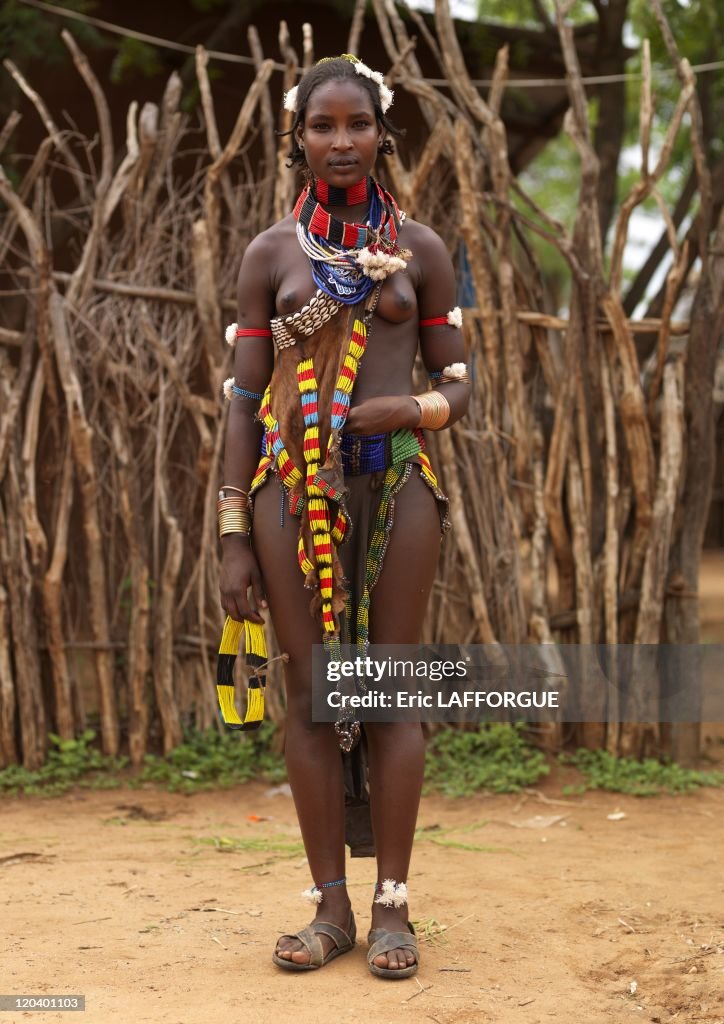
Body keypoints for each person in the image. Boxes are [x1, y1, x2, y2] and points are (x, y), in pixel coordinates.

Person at [218, 54, 471, 979]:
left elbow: (459, 382)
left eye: (356, 125)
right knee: (314, 700)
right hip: (293, 494)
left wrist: (409, 411)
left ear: (381, 133)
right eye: (322, 127)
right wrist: (233, 532)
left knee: (393, 695)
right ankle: (329, 908)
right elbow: (244, 405)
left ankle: (393, 907)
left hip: (397, 487)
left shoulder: (428, 250)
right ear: (299, 138)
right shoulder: (271, 257)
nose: (340, 142)